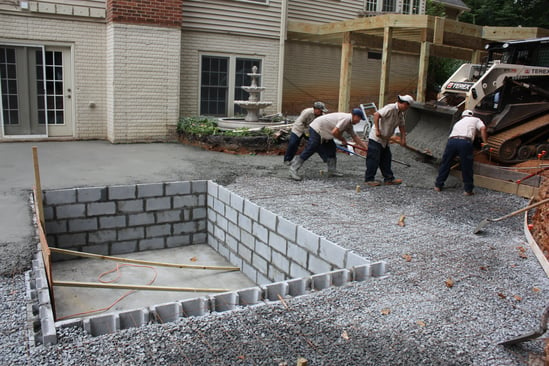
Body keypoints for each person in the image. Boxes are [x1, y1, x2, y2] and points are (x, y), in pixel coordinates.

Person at [289, 108, 368, 181]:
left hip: (326, 131)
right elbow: (335, 132)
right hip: (317, 128)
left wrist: (365, 148)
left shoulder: (349, 124)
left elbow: (355, 137)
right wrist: (342, 139)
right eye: (359, 119)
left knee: (331, 148)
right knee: (312, 147)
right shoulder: (346, 119)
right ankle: (293, 168)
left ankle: (332, 170)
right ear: (355, 116)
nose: (359, 121)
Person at [434, 109, 488, 196]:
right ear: (472, 115)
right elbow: (483, 128)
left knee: (445, 163)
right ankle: (468, 190)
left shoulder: (458, 122)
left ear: (462, 116)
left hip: (451, 142)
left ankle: (438, 186)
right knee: (466, 166)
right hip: (465, 142)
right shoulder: (476, 119)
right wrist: (485, 143)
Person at [364, 94, 413, 186]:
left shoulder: (400, 114)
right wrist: (377, 130)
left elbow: (402, 127)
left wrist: (403, 139)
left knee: (386, 159)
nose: (408, 108)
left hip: (385, 140)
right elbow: (376, 114)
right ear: (405, 104)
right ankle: (369, 179)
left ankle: (389, 179)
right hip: (376, 138)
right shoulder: (390, 108)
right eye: (408, 106)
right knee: (373, 159)